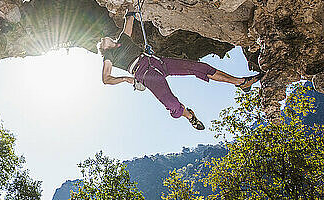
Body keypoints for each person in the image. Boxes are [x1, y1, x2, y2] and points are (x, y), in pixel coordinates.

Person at [99, 12, 263, 130]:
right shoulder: (109, 55)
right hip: (145, 74)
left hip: (157, 62)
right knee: (170, 103)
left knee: (198, 67)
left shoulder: (122, 40)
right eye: (100, 43)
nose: (101, 40)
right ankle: (189, 116)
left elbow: (129, 22)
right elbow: (106, 78)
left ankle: (240, 82)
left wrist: (131, 14)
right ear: (104, 48)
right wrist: (127, 79)